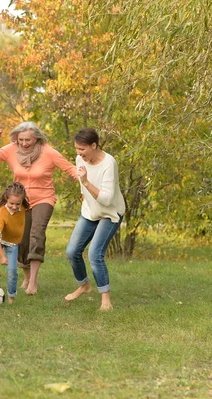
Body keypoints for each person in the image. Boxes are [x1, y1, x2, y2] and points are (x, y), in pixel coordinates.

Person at [0, 121, 78, 295]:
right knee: (22, 239)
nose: (24, 144)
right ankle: (26, 276)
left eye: (28, 140)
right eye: (21, 140)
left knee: (36, 233)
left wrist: (88, 183)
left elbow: (71, 170)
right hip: (20, 202)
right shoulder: (11, 149)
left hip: (44, 198)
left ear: (37, 139)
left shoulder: (49, 152)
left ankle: (33, 281)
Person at [64, 128, 126, 311]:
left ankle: (106, 300)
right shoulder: (80, 159)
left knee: (94, 254)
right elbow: (83, 190)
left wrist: (86, 182)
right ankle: (84, 285)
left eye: (82, 149)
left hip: (110, 214)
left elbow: (107, 199)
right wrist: (85, 199)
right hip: (90, 213)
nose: (78, 153)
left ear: (94, 145)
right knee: (72, 252)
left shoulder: (109, 163)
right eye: (76, 149)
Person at [0, 182, 29, 304]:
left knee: (12, 270)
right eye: (11, 203)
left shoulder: (24, 208)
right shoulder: (1, 212)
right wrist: (2, 256)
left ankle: (11, 296)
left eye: (17, 204)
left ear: (22, 201)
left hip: (13, 242)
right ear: (6, 199)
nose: (14, 207)